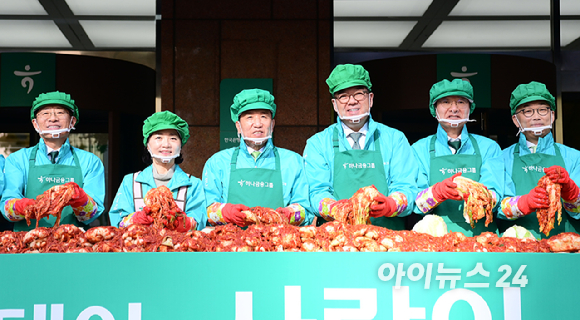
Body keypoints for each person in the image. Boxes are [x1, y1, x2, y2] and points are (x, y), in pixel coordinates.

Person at [303, 64, 417, 229]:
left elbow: (406, 188)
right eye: (343, 96)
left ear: (370, 98)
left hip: (387, 239)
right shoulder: (318, 143)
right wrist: (338, 209)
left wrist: (390, 204)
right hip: (335, 241)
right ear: (334, 104)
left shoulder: (394, 139)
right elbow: (316, 192)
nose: (352, 101)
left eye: (358, 94)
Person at [202, 89, 313, 227]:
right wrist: (226, 213)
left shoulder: (293, 161)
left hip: (280, 243)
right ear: (238, 126)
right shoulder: (217, 162)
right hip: (231, 244)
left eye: (263, 117)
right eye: (249, 117)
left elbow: (305, 210)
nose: (257, 124)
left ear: (272, 125)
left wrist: (288, 214)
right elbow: (206, 211)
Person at [0, 91, 105, 231]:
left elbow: (90, 216)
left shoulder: (90, 161)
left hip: (73, 244)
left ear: (72, 121)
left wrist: (79, 198)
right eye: (45, 113)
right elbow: (7, 209)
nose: (53, 118)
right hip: (27, 245)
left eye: (60, 113)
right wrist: (30, 207)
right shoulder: (17, 159)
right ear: (35, 123)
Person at [411, 79, 503, 236]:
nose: (454, 108)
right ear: (434, 109)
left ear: (470, 107)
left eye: (461, 102)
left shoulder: (489, 147)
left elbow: (496, 197)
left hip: (482, 240)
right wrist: (437, 192)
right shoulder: (419, 149)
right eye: (446, 102)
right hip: (435, 243)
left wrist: (478, 195)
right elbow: (416, 205)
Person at [498, 81, 580, 238]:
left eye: (543, 110)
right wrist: (525, 202)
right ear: (515, 120)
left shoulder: (574, 157)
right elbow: (495, 207)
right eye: (527, 111)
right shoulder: (502, 158)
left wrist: (570, 191)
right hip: (517, 249)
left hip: (566, 248)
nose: (536, 116)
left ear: (552, 115)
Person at [109, 111, 206, 231]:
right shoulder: (130, 182)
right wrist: (135, 219)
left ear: (181, 146)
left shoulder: (193, 184)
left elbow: (200, 224)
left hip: (179, 248)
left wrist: (182, 222)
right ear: (147, 144)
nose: (166, 144)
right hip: (138, 248)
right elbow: (117, 223)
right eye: (158, 137)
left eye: (173, 138)